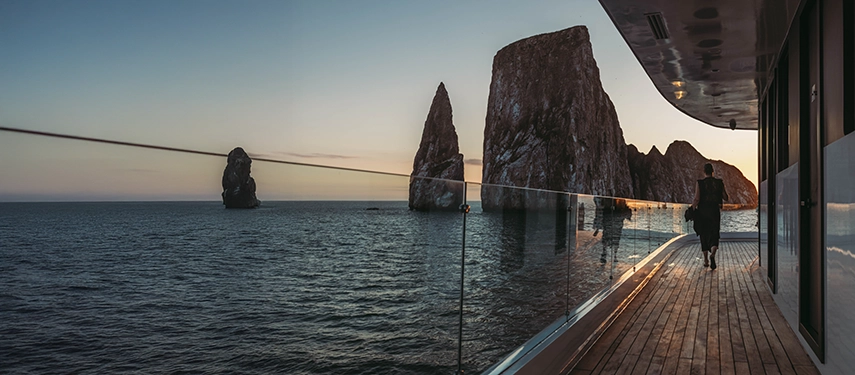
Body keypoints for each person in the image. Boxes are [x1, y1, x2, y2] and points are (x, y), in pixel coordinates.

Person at [692, 163, 728, 270]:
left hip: (703, 212)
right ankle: (713, 254)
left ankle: (706, 260)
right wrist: (721, 189)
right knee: (714, 234)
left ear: (704, 172)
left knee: (704, 235)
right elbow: (726, 197)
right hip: (714, 212)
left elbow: (697, 199)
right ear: (713, 171)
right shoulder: (719, 183)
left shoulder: (700, 183)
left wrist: (692, 209)